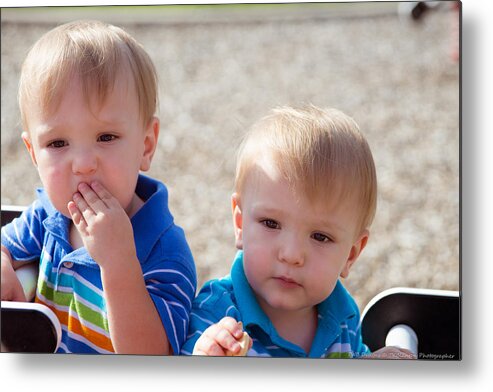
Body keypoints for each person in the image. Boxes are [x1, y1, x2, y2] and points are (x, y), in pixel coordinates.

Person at [1, 20, 196, 355]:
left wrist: (119, 262)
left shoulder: (163, 249)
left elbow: (154, 359)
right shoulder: (48, 215)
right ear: (33, 153)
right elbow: (5, 244)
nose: (83, 163)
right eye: (58, 142)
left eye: (106, 137)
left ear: (146, 146)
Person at [180, 105, 414, 359]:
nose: (291, 254)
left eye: (320, 236)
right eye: (271, 223)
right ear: (240, 223)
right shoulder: (217, 317)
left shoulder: (343, 318)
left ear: (351, 254)